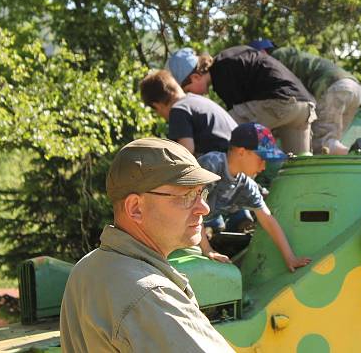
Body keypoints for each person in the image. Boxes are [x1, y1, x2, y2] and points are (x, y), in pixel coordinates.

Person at [60, 138, 232, 352]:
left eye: (201, 193)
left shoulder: (88, 266)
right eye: (187, 195)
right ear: (135, 208)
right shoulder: (151, 295)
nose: (204, 208)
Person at [196, 123, 311, 272]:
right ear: (242, 151)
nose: (264, 167)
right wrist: (207, 249)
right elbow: (192, 206)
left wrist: (290, 258)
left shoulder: (245, 184)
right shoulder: (212, 164)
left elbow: (267, 220)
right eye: (261, 158)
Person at [167, 46, 316, 155]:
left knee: (220, 129)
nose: (190, 96)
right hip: (304, 107)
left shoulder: (221, 73)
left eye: (188, 90)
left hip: (281, 102)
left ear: (195, 77)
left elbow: (232, 128)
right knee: (297, 164)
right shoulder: (230, 57)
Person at [248, 39, 361, 155]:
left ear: (262, 52)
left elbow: (278, 96)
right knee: (331, 142)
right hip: (354, 88)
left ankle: (357, 153)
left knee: (320, 145)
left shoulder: (275, 58)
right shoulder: (292, 56)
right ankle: (355, 153)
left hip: (335, 88)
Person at [139, 69, 237, 156]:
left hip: (225, 162)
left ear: (157, 105)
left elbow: (186, 152)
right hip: (242, 158)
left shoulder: (178, 110)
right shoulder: (197, 100)